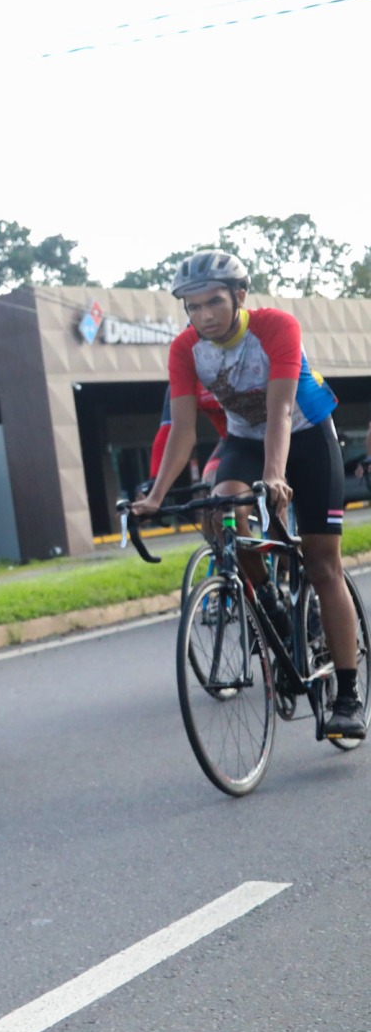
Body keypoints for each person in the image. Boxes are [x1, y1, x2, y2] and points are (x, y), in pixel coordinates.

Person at [131, 250, 362, 739]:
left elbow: (281, 411)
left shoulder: (276, 327)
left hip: (306, 435)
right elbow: (182, 430)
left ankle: (347, 696)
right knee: (221, 513)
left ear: (239, 296)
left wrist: (275, 475)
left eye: (214, 302)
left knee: (322, 564)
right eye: (193, 307)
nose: (204, 316)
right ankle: (272, 605)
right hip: (243, 440)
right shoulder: (185, 349)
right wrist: (155, 496)